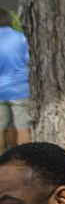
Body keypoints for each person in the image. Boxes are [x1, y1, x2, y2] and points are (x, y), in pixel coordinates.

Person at [0, 9, 31, 151]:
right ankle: (22, 159)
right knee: (21, 127)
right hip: (20, 90)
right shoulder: (21, 38)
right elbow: (28, 61)